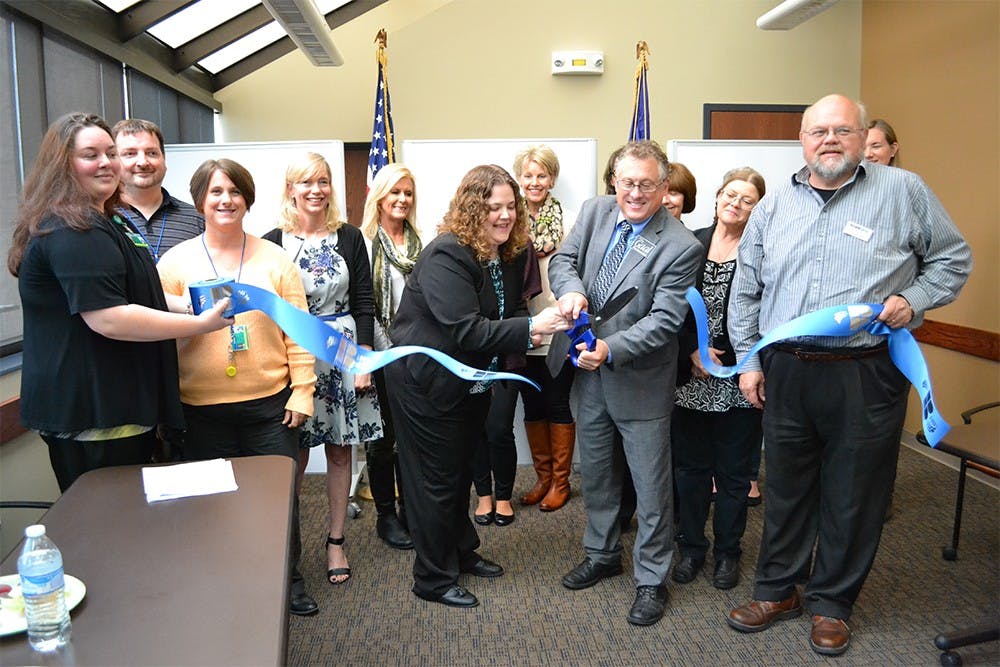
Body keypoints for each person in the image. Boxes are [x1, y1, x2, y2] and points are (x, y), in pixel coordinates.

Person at [726, 94, 971, 656]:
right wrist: (749, 359)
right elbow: (748, 290)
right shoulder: (772, 206)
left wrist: (914, 300)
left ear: (863, 138)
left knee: (854, 492)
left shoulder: (903, 192)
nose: (829, 140)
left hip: (867, 372)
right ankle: (777, 590)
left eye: (842, 130)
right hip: (787, 369)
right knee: (786, 488)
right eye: (818, 131)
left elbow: (953, 259)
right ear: (801, 139)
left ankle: (831, 602)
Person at [8, 113, 231, 493]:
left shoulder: (111, 221)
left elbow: (140, 294)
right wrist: (200, 325)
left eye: (110, 153)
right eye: (90, 155)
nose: (106, 163)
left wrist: (190, 305)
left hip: (122, 402)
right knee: (106, 528)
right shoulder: (72, 229)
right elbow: (110, 318)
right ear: (63, 164)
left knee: (129, 524)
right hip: (95, 413)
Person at [384, 164, 568, 609]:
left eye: (511, 207)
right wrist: (531, 329)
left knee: (461, 470)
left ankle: (461, 552)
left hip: (469, 381)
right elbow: (467, 329)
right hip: (425, 384)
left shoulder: (501, 252)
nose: (504, 216)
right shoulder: (448, 254)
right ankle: (431, 578)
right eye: (493, 208)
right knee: (436, 481)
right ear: (471, 209)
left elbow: (495, 316)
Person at [157, 158, 320, 617]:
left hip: (270, 407)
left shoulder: (275, 260)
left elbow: (299, 332)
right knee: (209, 505)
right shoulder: (175, 262)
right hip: (200, 409)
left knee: (276, 502)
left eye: (234, 191)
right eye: (215, 192)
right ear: (199, 202)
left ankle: (289, 581)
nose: (225, 200)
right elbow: (160, 334)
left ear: (247, 199)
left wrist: (302, 390)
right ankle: (222, 581)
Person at [549, 140, 702, 627]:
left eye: (646, 184)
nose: (634, 193)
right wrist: (571, 290)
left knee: (651, 487)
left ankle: (652, 578)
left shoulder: (681, 245)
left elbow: (664, 321)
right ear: (614, 180)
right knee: (596, 473)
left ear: (664, 185)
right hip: (586, 377)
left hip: (638, 381)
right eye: (627, 182)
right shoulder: (595, 212)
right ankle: (602, 553)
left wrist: (610, 349)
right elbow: (562, 261)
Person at [263, 152, 383, 585]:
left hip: (342, 351)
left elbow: (365, 300)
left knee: (338, 450)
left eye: (323, 181)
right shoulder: (271, 240)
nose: (316, 190)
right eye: (306, 182)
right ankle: (285, 547)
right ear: (290, 188)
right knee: (290, 454)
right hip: (291, 354)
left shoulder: (349, 237)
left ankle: (335, 541)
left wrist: (363, 359)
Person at [671, 167, 765, 592]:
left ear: (757, 209)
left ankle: (728, 552)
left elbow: (772, 312)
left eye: (747, 199)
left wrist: (752, 363)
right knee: (689, 471)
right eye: (731, 194)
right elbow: (670, 305)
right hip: (692, 377)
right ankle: (691, 547)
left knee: (733, 476)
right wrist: (691, 348)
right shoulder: (689, 243)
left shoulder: (764, 251)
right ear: (717, 197)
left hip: (742, 380)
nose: (736, 203)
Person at [474, 145, 575, 526]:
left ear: (552, 179)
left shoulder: (571, 221)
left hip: (558, 325)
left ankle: (561, 483)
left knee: (558, 402)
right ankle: (543, 479)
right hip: (518, 331)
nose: (535, 182)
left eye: (542, 175)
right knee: (531, 406)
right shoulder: (507, 223)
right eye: (528, 175)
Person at [359, 163, 420, 550]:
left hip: (416, 353)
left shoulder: (420, 244)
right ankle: (386, 515)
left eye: (408, 193)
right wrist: (386, 352)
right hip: (380, 354)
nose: (401, 199)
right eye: (394, 192)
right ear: (379, 197)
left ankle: (412, 509)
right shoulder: (363, 243)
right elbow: (364, 305)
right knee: (382, 439)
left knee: (411, 437)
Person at [112, 118, 205, 261]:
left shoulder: (197, 219)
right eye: (130, 153)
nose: (143, 162)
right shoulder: (102, 217)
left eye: (152, 153)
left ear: (164, 159)